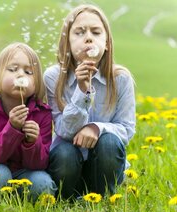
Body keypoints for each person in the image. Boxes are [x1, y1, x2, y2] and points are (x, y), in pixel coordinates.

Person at [44, 4, 136, 200]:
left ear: (106, 43)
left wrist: (96, 128)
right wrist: (82, 89)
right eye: (79, 32)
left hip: (104, 164)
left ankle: (102, 197)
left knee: (110, 142)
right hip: (68, 163)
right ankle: (66, 198)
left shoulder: (121, 79)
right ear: (67, 43)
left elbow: (126, 129)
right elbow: (64, 131)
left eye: (96, 32)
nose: (88, 37)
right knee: (64, 152)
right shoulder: (53, 78)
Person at [0, 42, 57, 201]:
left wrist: (32, 142)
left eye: (28, 72)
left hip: (24, 173)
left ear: (37, 82)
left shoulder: (42, 114)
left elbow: (40, 165)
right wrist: (12, 128)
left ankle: (19, 205)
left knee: (43, 182)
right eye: (13, 69)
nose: (21, 75)